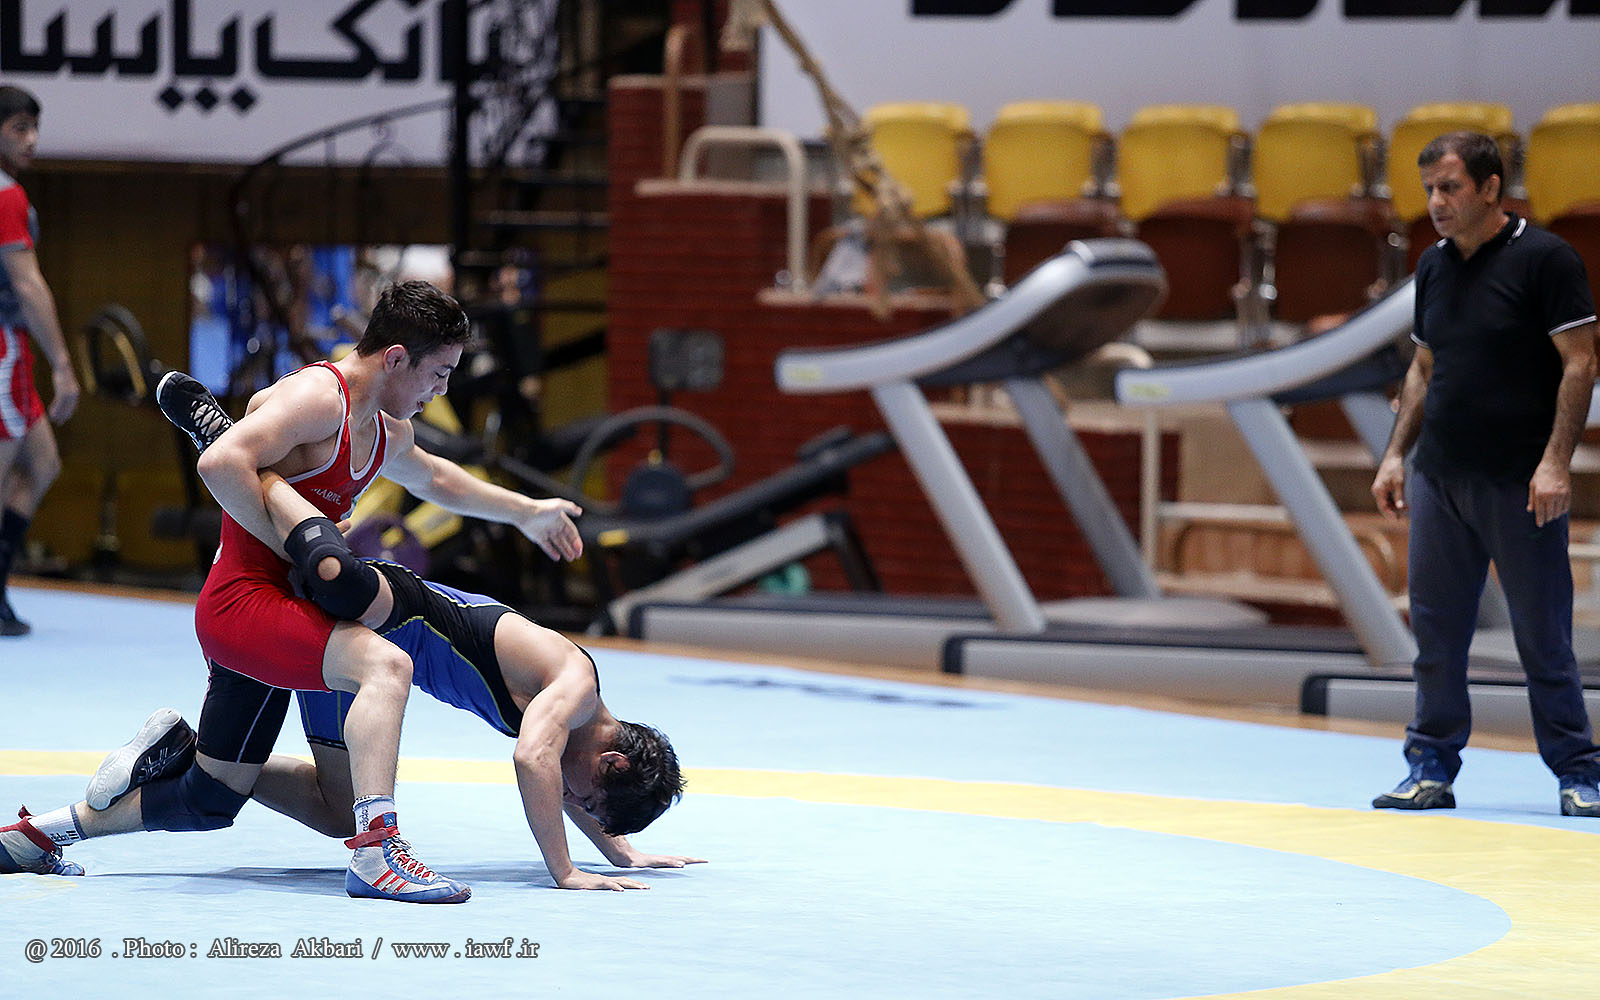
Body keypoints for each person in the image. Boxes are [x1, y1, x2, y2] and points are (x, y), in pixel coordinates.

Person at [0, 282, 583, 903]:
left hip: (295, 609)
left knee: (218, 798)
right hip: (245, 603)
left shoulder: (382, 429)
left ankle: (35, 836)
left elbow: (437, 479)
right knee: (386, 666)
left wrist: (527, 512)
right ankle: (378, 853)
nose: (441, 390)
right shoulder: (319, 398)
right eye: (438, 373)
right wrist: (301, 546)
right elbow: (218, 463)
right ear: (395, 358)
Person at [1370, 130, 1600, 816]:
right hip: (1440, 478)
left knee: (1543, 639)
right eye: (1429, 190)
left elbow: (1581, 363)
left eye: (1450, 188)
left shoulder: (1546, 259)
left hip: (1520, 483)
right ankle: (1429, 769)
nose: (1436, 203)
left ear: (1491, 187)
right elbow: (1423, 367)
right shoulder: (1433, 265)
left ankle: (1579, 773)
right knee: (1437, 639)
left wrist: (1555, 462)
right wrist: (1395, 454)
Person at [0, 84, 78, 636]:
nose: (31, 140)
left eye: (34, 128)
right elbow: (28, 286)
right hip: (4, 346)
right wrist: (64, 366)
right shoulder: (6, 196)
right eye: (18, 129)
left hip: (12, 347)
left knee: (43, 462)